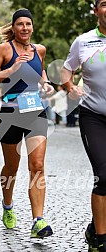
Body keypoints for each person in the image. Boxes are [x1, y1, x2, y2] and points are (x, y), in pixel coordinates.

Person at [0, 9, 54, 238]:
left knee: (38, 165)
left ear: (33, 27)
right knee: (11, 168)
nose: (25, 28)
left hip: (35, 111)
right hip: (11, 112)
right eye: (20, 24)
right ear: (13, 27)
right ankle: (7, 205)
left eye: (28, 24)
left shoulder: (39, 50)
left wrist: (46, 84)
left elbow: (40, 71)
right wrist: (12, 69)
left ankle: (38, 221)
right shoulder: (5, 49)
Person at [61, 0, 106, 251]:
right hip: (94, 116)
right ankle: (101, 241)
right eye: (105, 4)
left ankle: (93, 227)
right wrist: (70, 87)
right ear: (96, 11)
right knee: (105, 176)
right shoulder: (84, 41)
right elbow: (66, 70)